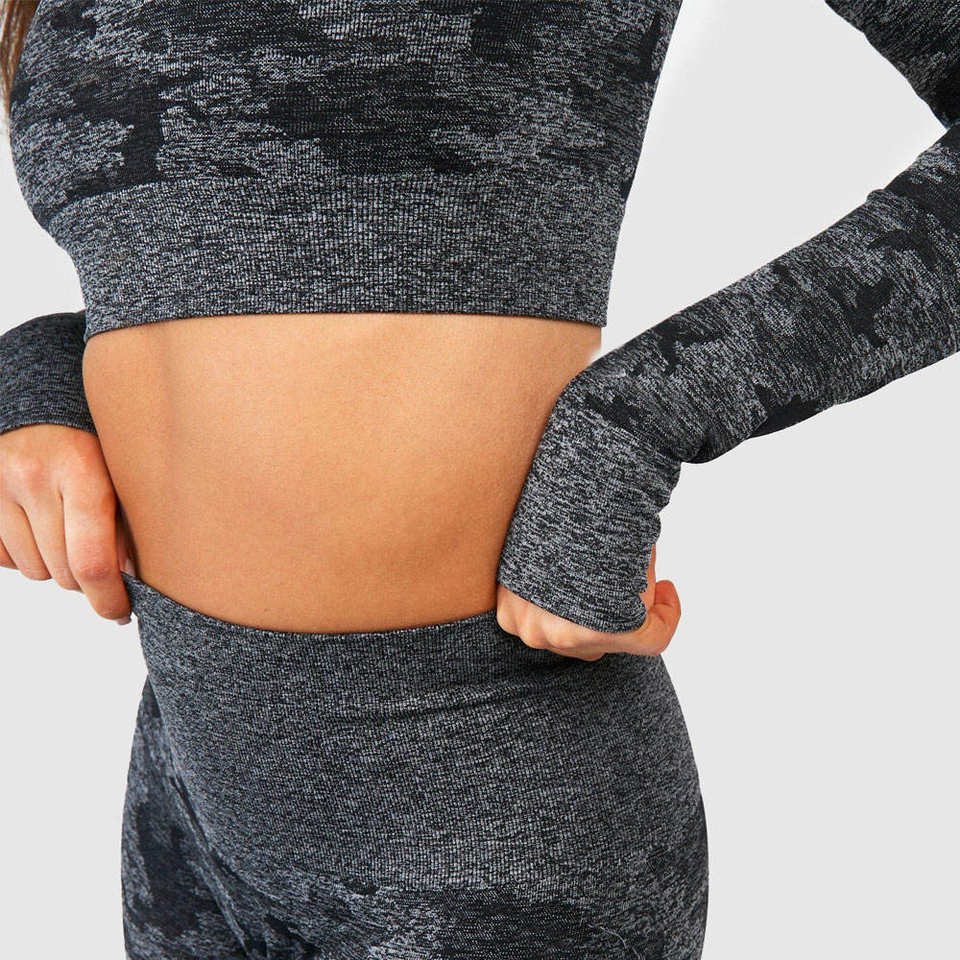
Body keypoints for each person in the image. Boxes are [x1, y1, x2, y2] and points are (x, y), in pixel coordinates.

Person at [0, 1, 956, 957]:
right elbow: (167, 259)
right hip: (192, 786)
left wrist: (636, 422)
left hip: (485, 807)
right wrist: (34, 380)